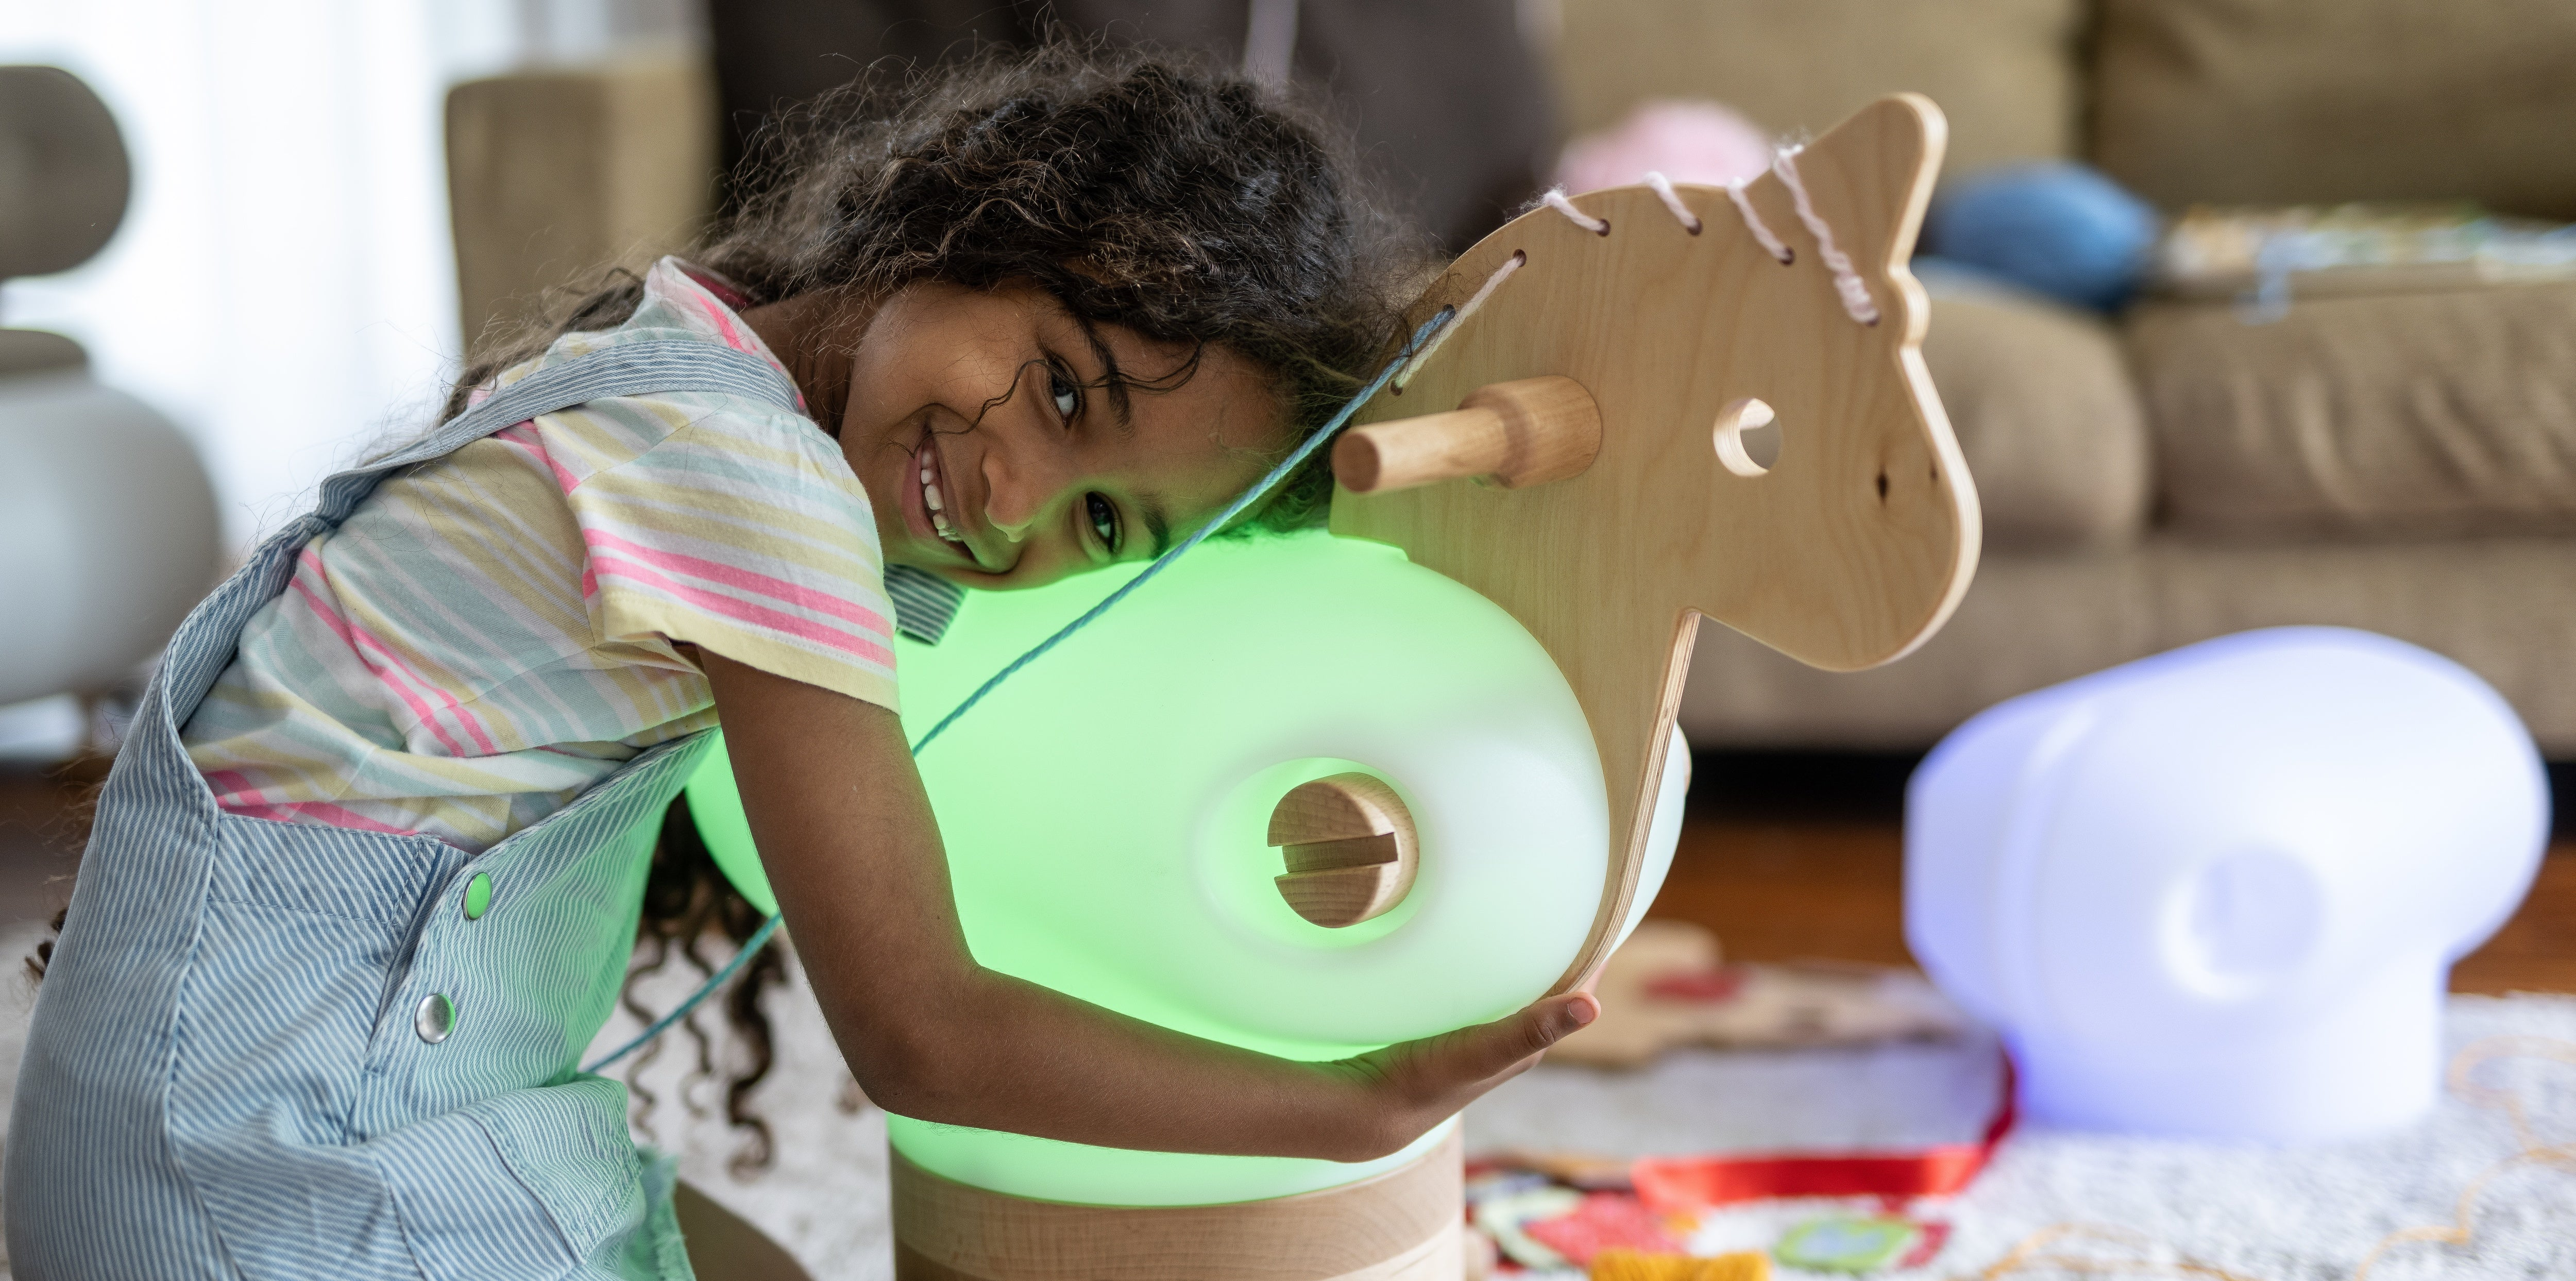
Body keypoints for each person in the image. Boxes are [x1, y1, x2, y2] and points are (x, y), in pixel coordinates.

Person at [2, 45, 1595, 1280]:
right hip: (254, 1164)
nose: (1016, 495)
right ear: (988, 226)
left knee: (756, 1256)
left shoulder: (699, 353)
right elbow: (927, 1034)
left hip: (190, 1116)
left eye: (1107, 522)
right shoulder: (745, 482)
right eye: (1056, 387)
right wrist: (1356, 1104)